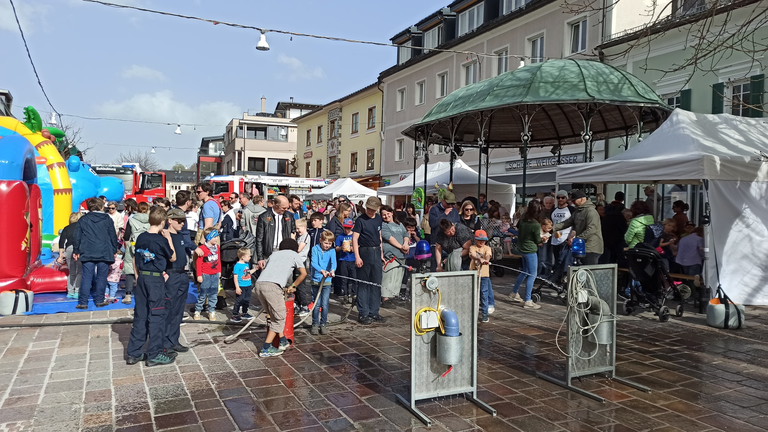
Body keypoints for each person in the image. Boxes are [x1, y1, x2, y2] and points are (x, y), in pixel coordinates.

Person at [126, 206, 177, 367]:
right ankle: (154, 353)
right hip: (155, 280)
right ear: (163, 222)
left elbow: (134, 257)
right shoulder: (161, 240)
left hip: (142, 278)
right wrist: (168, 238)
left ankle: (134, 353)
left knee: (141, 315)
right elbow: (173, 257)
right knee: (156, 316)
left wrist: (137, 275)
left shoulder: (141, 237)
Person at [254, 238, 307, 357]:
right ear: (295, 248)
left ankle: (282, 341)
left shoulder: (274, 254)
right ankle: (266, 348)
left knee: (273, 315)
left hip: (259, 285)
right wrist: (293, 285)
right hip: (273, 287)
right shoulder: (294, 254)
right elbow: (303, 273)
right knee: (279, 318)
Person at [73, 198, 120, 309]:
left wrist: (76, 250)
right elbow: (113, 235)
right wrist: (114, 249)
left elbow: (77, 236)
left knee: (86, 277)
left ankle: (83, 302)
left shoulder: (83, 219)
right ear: (101, 207)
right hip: (104, 251)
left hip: (88, 251)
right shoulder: (107, 219)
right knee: (102, 277)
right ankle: (99, 300)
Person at [353, 196, 385, 325]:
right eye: (369, 209)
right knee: (364, 283)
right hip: (364, 251)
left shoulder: (378, 219)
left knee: (376, 283)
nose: (370, 211)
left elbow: (380, 236)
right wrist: (357, 256)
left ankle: (374, 312)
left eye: (373, 209)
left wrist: (381, 254)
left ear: (378, 208)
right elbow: (354, 239)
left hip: (376, 251)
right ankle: (363, 313)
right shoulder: (360, 220)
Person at [164, 209, 191, 354]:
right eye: (179, 221)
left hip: (182, 273)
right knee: (169, 308)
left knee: (179, 310)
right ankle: (165, 341)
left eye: (183, 221)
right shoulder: (164, 236)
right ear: (170, 220)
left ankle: (174, 340)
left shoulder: (181, 235)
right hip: (171, 273)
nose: (182, 223)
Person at [552, 190, 604, 265]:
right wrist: (552, 229)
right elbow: (567, 223)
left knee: (588, 272)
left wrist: (577, 239)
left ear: (582, 199)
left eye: (574, 200)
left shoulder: (591, 212)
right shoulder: (577, 211)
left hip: (591, 248)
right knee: (580, 272)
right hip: (580, 248)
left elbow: (591, 229)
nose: (572, 202)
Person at [510, 200, 542, 310]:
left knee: (524, 271)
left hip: (521, 248)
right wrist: (543, 239)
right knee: (532, 274)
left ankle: (514, 292)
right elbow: (538, 240)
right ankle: (528, 300)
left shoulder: (523, 219)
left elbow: (518, 228)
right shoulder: (536, 225)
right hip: (530, 250)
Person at [380, 205, 409, 309]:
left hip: (401, 255)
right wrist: (401, 247)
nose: (386, 216)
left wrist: (405, 244)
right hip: (391, 255)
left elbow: (406, 234)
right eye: (384, 214)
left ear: (392, 213)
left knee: (398, 277)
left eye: (388, 213)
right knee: (389, 277)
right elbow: (389, 238)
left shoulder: (399, 224)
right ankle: (385, 298)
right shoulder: (383, 225)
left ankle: (393, 296)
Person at [256, 195, 296, 270]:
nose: (286, 209)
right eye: (284, 208)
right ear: (276, 206)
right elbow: (259, 238)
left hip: (285, 251)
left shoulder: (289, 216)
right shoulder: (264, 217)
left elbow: (293, 233)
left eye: (287, 207)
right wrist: (260, 257)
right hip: (269, 251)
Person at [298, 212, 326, 316]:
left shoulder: (324, 232)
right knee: (313, 281)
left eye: (315, 220)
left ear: (321, 221)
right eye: (312, 221)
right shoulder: (310, 232)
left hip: (322, 259)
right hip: (311, 259)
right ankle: (314, 301)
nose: (313, 223)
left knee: (322, 281)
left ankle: (322, 302)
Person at [122, 202, 150, 305]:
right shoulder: (151, 220)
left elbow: (126, 236)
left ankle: (128, 295)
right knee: (146, 269)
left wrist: (129, 246)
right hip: (148, 247)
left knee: (130, 270)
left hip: (134, 245)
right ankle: (146, 292)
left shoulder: (132, 220)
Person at [310, 230, 337, 335]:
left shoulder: (332, 251)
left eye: (330, 244)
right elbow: (314, 263)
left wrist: (332, 271)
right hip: (316, 280)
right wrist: (321, 271)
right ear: (320, 240)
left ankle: (323, 324)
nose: (327, 245)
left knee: (325, 304)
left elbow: (333, 263)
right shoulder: (315, 249)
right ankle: (315, 324)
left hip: (327, 281)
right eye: (326, 243)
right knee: (316, 304)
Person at [194, 228, 221, 321]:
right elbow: (198, 263)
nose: (217, 239)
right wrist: (199, 275)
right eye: (215, 237)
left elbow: (218, 260)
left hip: (215, 274)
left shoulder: (217, 247)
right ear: (209, 238)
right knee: (203, 293)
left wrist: (219, 271)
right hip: (205, 274)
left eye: (217, 236)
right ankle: (198, 310)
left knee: (214, 293)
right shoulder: (202, 249)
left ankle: (211, 310)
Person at [549, 190, 574, 285]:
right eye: (558, 197)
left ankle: (563, 280)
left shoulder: (571, 210)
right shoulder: (553, 210)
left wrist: (571, 236)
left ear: (566, 198)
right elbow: (551, 223)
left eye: (562, 197)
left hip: (566, 239)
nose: (560, 199)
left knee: (563, 261)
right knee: (557, 260)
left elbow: (575, 224)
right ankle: (557, 280)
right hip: (555, 239)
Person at [470, 229, 494, 322]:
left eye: (483, 240)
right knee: (473, 294)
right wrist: (479, 258)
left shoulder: (487, 248)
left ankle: (484, 314)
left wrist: (486, 260)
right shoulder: (472, 247)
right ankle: (472, 313)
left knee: (484, 294)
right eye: (479, 240)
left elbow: (488, 255)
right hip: (473, 274)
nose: (481, 242)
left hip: (484, 275)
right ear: (475, 240)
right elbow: (472, 255)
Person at [57, 212, 82, 299]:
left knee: (71, 271)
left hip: (69, 248)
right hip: (79, 248)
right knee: (79, 271)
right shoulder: (81, 227)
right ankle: (77, 291)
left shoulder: (67, 228)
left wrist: (61, 254)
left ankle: (70, 291)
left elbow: (61, 241)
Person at [231, 247, 257, 323]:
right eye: (249, 256)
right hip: (241, 286)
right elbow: (235, 277)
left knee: (247, 300)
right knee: (239, 300)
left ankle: (244, 313)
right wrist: (237, 287)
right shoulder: (237, 266)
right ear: (243, 257)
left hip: (248, 285)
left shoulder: (246, 264)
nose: (250, 257)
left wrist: (255, 269)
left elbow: (247, 273)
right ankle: (234, 315)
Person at [601, 191, 628, 264]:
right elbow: (623, 228)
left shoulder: (608, 207)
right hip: (617, 238)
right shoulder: (621, 209)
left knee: (607, 258)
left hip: (606, 236)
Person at [335, 218, 357, 304]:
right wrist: (341, 248)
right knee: (344, 279)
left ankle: (354, 295)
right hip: (343, 259)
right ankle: (345, 295)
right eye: (345, 228)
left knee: (354, 278)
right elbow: (336, 248)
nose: (347, 230)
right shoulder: (340, 236)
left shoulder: (354, 236)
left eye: (349, 228)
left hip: (353, 259)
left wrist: (354, 248)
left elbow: (358, 246)